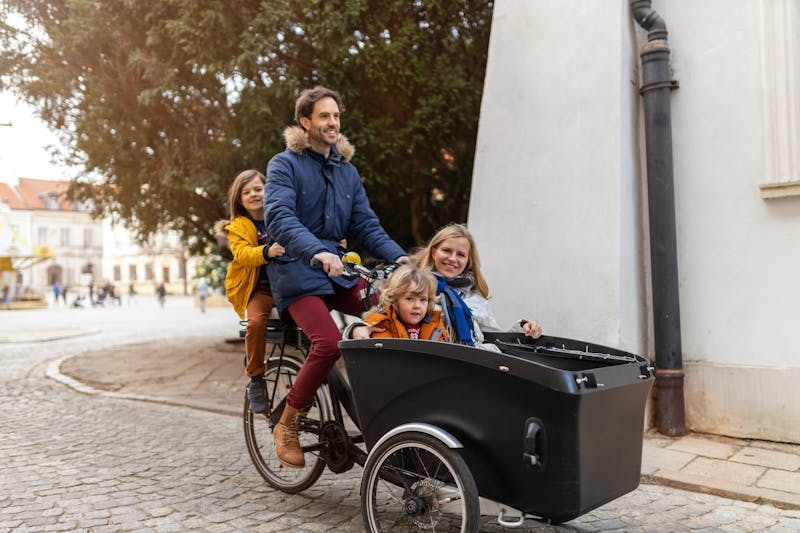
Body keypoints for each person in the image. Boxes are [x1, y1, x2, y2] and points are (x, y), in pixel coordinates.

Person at [264, 85, 408, 468]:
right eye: (324, 116)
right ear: (305, 121)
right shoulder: (284, 165)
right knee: (328, 343)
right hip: (297, 271)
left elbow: (366, 226)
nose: (332, 123)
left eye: (336, 116)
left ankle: (390, 417)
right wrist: (317, 250)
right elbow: (279, 218)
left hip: (339, 272)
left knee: (393, 315)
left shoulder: (347, 172)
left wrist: (404, 261)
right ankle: (288, 423)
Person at [411, 223, 542, 347]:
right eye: (447, 250)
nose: (452, 258)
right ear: (434, 252)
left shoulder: (476, 300)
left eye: (461, 254)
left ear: (468, 261)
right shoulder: (411, 287)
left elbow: (496, 341)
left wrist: (523, 329)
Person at [222, 169, 285, 414]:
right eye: (247, 192)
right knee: (256, 323)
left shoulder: (279, 215)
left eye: (258, 189)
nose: (254, 195)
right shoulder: (237, 226)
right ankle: (256, 378)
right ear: (239, 199)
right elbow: (242, 254)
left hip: (286, 284)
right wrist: (266, 251)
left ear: (268, 190)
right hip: (259, 289)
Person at [344, 265, 447, 341]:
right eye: (410, 299)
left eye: (423, 300)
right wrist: (355, 330)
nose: (417, 306)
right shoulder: (382, 323)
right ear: (395, 299)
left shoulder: (436, 325)